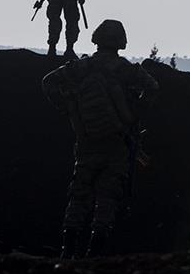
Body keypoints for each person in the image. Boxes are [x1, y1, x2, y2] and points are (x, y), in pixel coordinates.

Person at [42, 20, 159, 258]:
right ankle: (94, 255)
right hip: (117, 144)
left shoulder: (81, 68)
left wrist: (69, 108)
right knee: (107, 199)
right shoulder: (124, 69)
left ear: (97, 38)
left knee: (78, 196)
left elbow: (48, 82)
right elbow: (152, 87)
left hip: (87, 142)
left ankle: (68, 252)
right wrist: (134, 112)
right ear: (120, 41)